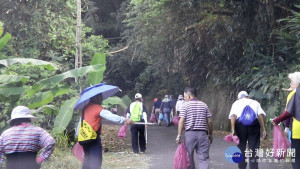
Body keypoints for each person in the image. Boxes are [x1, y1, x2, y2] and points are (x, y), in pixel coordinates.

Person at [78, 93, 133, 169]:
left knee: (87, 159)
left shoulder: (85, 108)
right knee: (96, 162)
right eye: (100, 97)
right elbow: (110, 116)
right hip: (93, 138)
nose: (102, 99)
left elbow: (80, 124)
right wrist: (125, 119)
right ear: (96, 98)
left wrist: (78, 136)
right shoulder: (97, 108)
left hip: (84, 138)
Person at [176, 87, 213, 169]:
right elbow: (210, 121)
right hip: (203, 135)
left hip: (190, 134)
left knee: (188, 157)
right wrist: (210, 135)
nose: (184, 98)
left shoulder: (185, 106)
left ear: (188, 96)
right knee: (203, 158)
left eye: (185, 96)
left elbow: (181, 121)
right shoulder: (204, 105)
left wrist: (179, 135)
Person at [229, 91, 266, 169]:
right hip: (254, 126)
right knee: (254, 148)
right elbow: (261, 115)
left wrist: (233, 130)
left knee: (241, 148)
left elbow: (233, 116)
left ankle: (242, 167)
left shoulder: (236, 103)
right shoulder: (255, 102)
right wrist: (264, 129)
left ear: (239, 97)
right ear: (247, 96)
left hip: (240, 127)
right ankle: (254, 167)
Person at [273, 72, 300, 168]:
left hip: (298, 131)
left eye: (292, 82)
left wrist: (278, 120)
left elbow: (288, 113)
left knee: (297, 158)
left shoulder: (294, 94)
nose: (290, 84)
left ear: (298, 83)